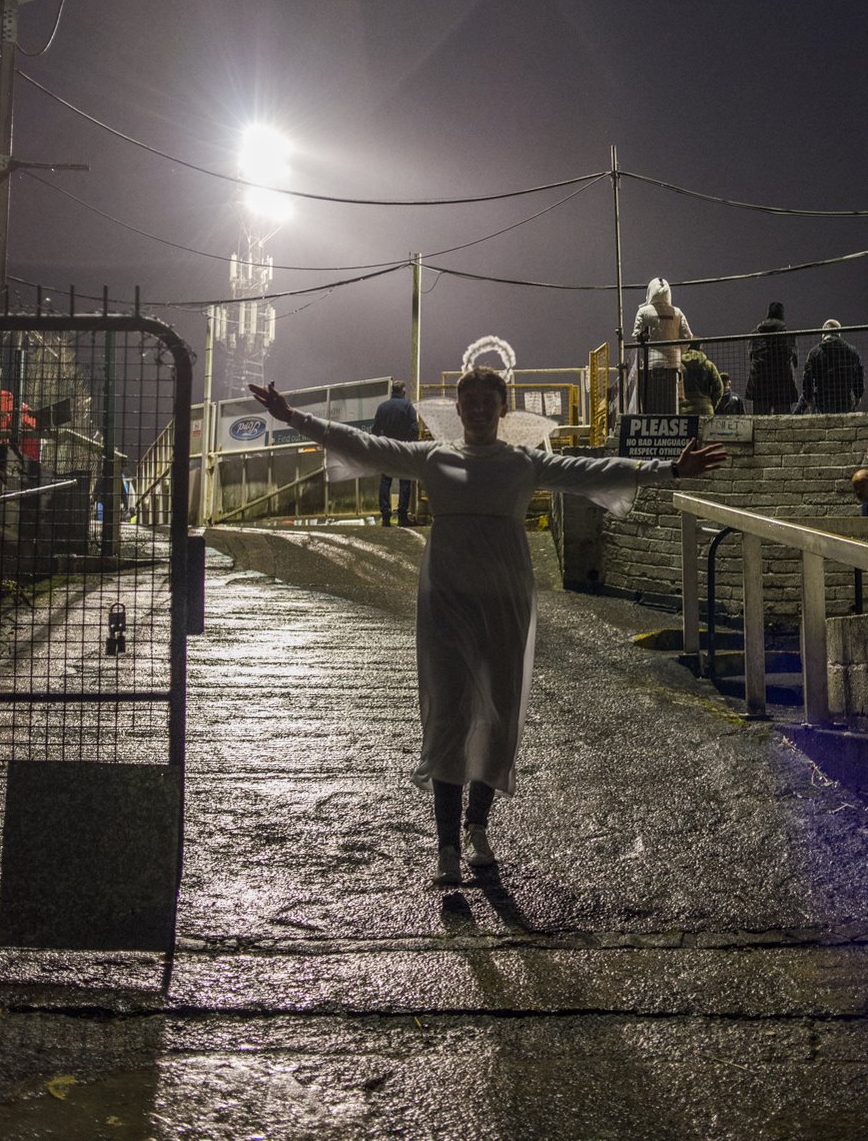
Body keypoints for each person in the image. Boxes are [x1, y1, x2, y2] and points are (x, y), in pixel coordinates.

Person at [251, 368, 727, 886]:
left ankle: (478, 827)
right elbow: (361, 442)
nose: (477, 408)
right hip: (446, 603)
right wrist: (291, 417)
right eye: (468, 399)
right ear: (457, 409)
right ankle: (448, 845)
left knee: (497, 713)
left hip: (504, 602)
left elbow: (589, 469)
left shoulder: (524, 463)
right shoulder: (433, 459)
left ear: (502, 409)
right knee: (447, 714)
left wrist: (670, 471)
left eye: (487, 400)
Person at [631, 277, 692, 414]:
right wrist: (678, 351)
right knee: (671, 405)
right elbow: (688, 337)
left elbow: (636, 336)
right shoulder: (677, 312)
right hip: (673, 365)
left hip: (650, 366)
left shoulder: (643, 312)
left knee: (652, 403)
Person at [371, 379, 418, 526]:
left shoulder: (382, 407)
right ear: (403, 391)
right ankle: (402, 516)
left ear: (392, 391)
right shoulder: (407, 406)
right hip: (403, 448)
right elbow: (415, 428)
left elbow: (375, 429)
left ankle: (386, 516)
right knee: (405, 481)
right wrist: (411, 443)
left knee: (386, 481)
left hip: (387, 448)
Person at [801, 320, 865, 413]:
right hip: (844, 399)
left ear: (823, 333)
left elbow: (807, 377)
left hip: (823, 401)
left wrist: (808, 398)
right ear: (839, 333)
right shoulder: (852, 352)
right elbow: (859, 374)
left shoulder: (814, 353)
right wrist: (858, 395)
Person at [745, 301, 797, 414]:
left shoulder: (755, 334)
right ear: (782, 315)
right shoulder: (787, 334)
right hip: (782, 384)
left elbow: (751, 356)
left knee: (759, 421)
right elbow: (794, 359)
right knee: (783, 422)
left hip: (759, 384)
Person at [680, 341, 723, 417]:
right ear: (700, 347)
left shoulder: (680, 365)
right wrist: (710, 404)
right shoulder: (709, 365)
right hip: (705, 408)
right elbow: (719, 388)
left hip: (684, 409)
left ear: (687, 347)